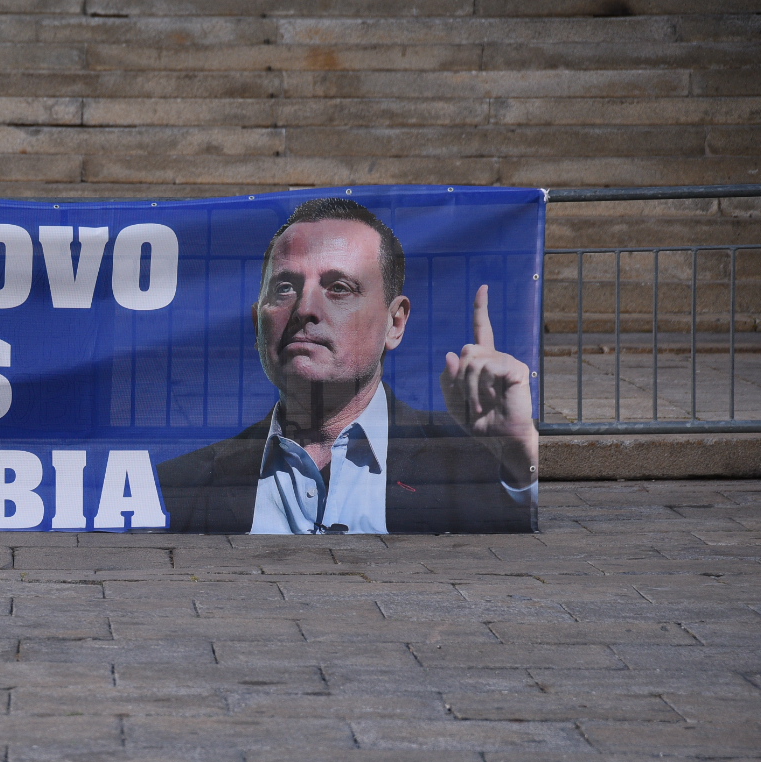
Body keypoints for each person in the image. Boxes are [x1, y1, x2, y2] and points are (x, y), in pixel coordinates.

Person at [157, 197, 537, 534]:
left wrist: (520, 461)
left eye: (339, 287)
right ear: (258, 321)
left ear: (395, 322)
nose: (304, 309)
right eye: (284, 287)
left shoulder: (474, 464)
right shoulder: (183, 484)